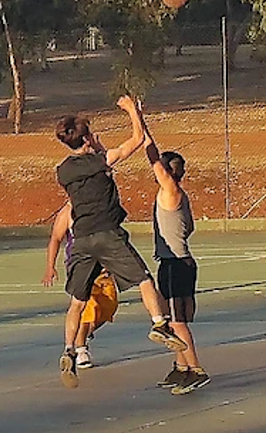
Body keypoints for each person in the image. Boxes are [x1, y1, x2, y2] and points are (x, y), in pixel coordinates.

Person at [54, 95, 186, 389]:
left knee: (76, 302)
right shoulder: (101, 159)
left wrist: (95, 148)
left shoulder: (63, 170)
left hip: (82, 240)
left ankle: (69, 351)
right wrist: (132, 111)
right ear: (87, 136)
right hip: (107, 233)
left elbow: (93, 172)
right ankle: (160, 324)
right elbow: (137, 139)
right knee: (144, 280)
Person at [143, 115, 210, 395]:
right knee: (174, 320)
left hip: (175, 265)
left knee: (176, 322)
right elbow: (190, 228)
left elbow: (151, 154)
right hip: (180, 262)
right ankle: (181, 367)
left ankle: (196, 370)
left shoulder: (170, 191)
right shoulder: (180, 195)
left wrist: (137, 119)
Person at [42, 202, 119, 369]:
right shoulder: (68, 212)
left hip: (103, 266)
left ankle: (83, 333)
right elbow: (55, 238)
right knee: (86, 308)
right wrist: (50, 266)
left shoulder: (99, 207)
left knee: (109, 307)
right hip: (80, 265)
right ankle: (80, 349)